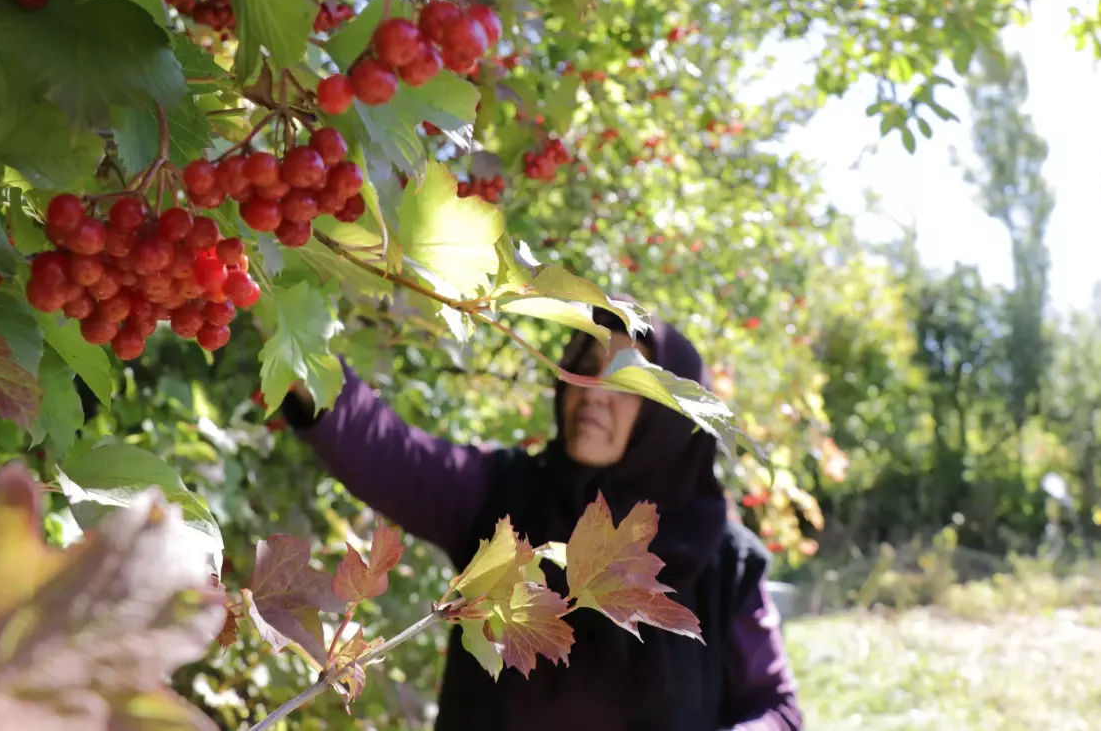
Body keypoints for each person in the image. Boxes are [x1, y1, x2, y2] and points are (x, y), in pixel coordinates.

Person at [281, 305, 803, 731]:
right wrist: (292, 336)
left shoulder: (724, 560)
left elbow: (776, 708)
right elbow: (390, 453)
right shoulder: (502, 494)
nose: (595, 393)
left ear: (670, 417)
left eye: (628, 384)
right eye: (584, 366)